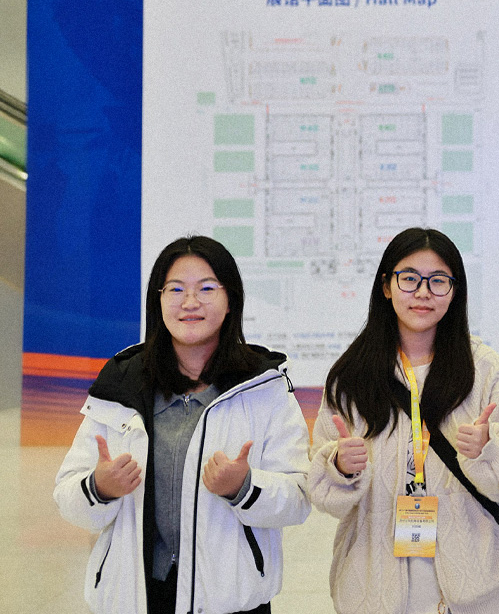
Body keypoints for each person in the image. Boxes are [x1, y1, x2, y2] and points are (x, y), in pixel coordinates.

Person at [54, 235, 312, 614]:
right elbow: (68, 498)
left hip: (230, 602)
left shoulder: (263, 388)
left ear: (230, 300)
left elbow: (298, 500)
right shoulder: (122, 383)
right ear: (157, 301)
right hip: (138, 597)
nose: (190, 302)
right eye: (175, 289)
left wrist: (243, 487)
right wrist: (100, 488)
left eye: (206, 288)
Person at [309, 227, 499, 614]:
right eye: (409, 278)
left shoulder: (483, 368)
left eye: (438, 281)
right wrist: (339, 467)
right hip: (375, 594)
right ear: (386, 286)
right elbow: (322, 495)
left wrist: (489, 450)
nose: (423, 292)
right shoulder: (351, 377)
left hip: (475, 592)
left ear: (455, 291)